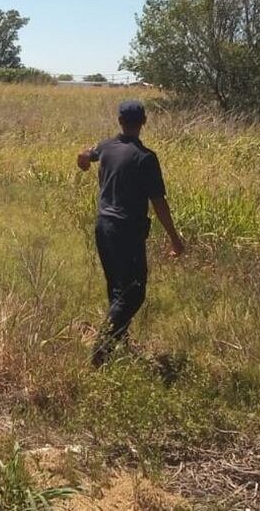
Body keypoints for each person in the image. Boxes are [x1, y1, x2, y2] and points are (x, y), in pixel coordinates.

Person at [75, 99, 184, 366]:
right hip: (127, 230)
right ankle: (102, 349)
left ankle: (117, 339)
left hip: (104, 226)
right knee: (134, 292)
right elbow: (158, 202)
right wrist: (174, 237)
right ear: (144, 121)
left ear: (119, 120)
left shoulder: (106, 147)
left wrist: (84, 160)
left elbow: (85, 156)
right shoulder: (145, 158)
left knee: (117, 287)